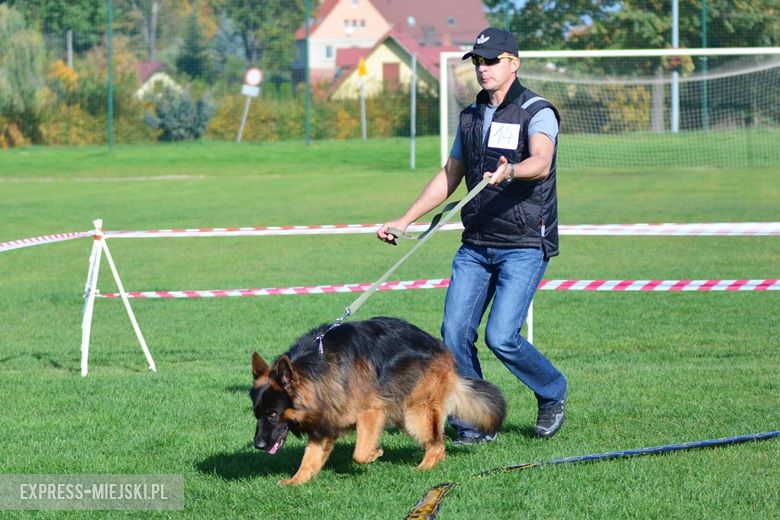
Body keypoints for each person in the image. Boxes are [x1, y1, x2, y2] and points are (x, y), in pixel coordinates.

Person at [377, 28, 567, 443]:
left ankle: (552, 393)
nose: (483, 68)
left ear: (513, 63)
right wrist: (405, 219)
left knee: (502, 336)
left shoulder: (537, 111)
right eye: (478, 61)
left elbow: (541, 161)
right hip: (477, 244)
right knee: (454, 333)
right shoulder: (470, 115)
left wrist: (510, 170)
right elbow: (450, 175)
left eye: (492, 60)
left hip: (523, 244)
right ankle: (476, 419)